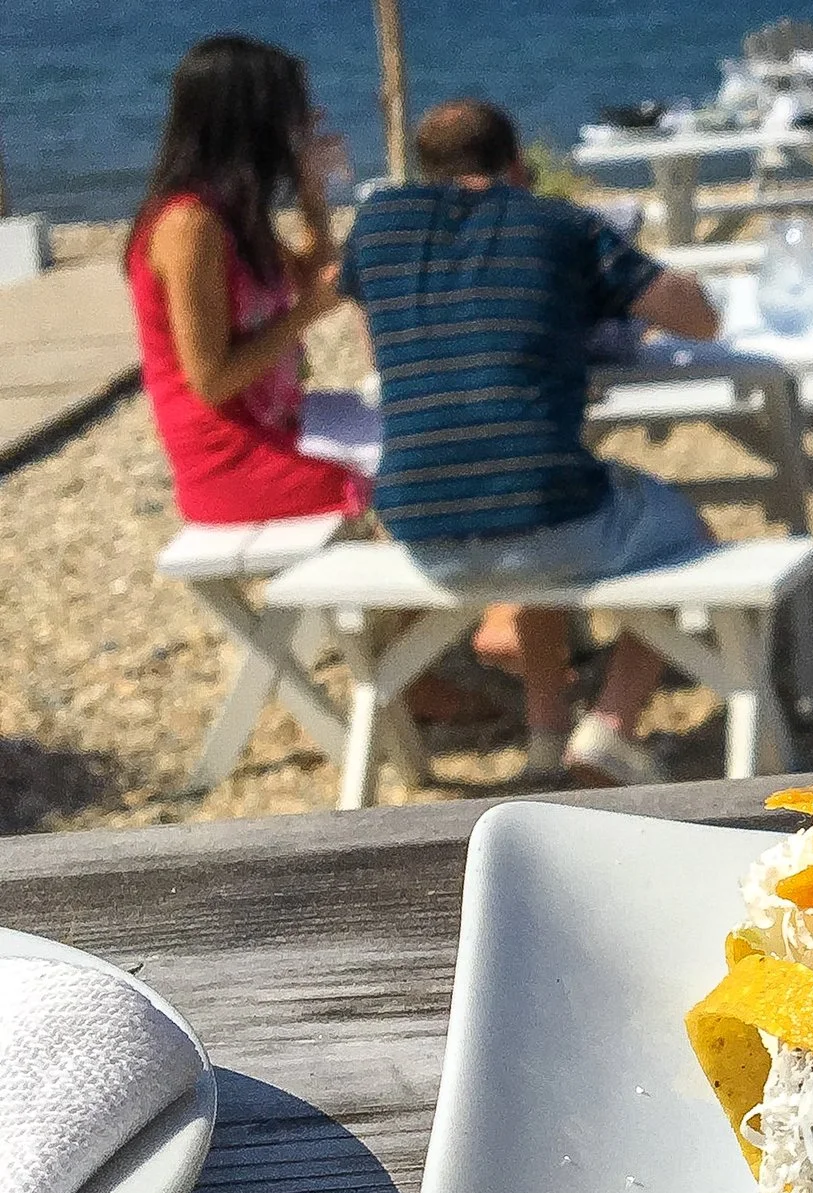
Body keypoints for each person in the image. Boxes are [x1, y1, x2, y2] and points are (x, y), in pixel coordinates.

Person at [339, 98, 722, 785]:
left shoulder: (377, 227)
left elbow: (379, 345)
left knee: (538, 527)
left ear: (428, 169)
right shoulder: (557, 223)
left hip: (419, 529)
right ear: (518, 164)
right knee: (688, 529)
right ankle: (608, 725)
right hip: (545, 514)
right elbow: (697, 319)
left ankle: (546, 739)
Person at [125, 36, 367, 526]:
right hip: (226, 458)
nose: (305, 123)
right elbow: (212, 382)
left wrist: (311, 192)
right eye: (294, 112)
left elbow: (313, 273)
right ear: (253, 122)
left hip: (275, 421)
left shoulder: (232, 210)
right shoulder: (189, 225)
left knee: (418, 441)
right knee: (396, 484)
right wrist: (307, 312)